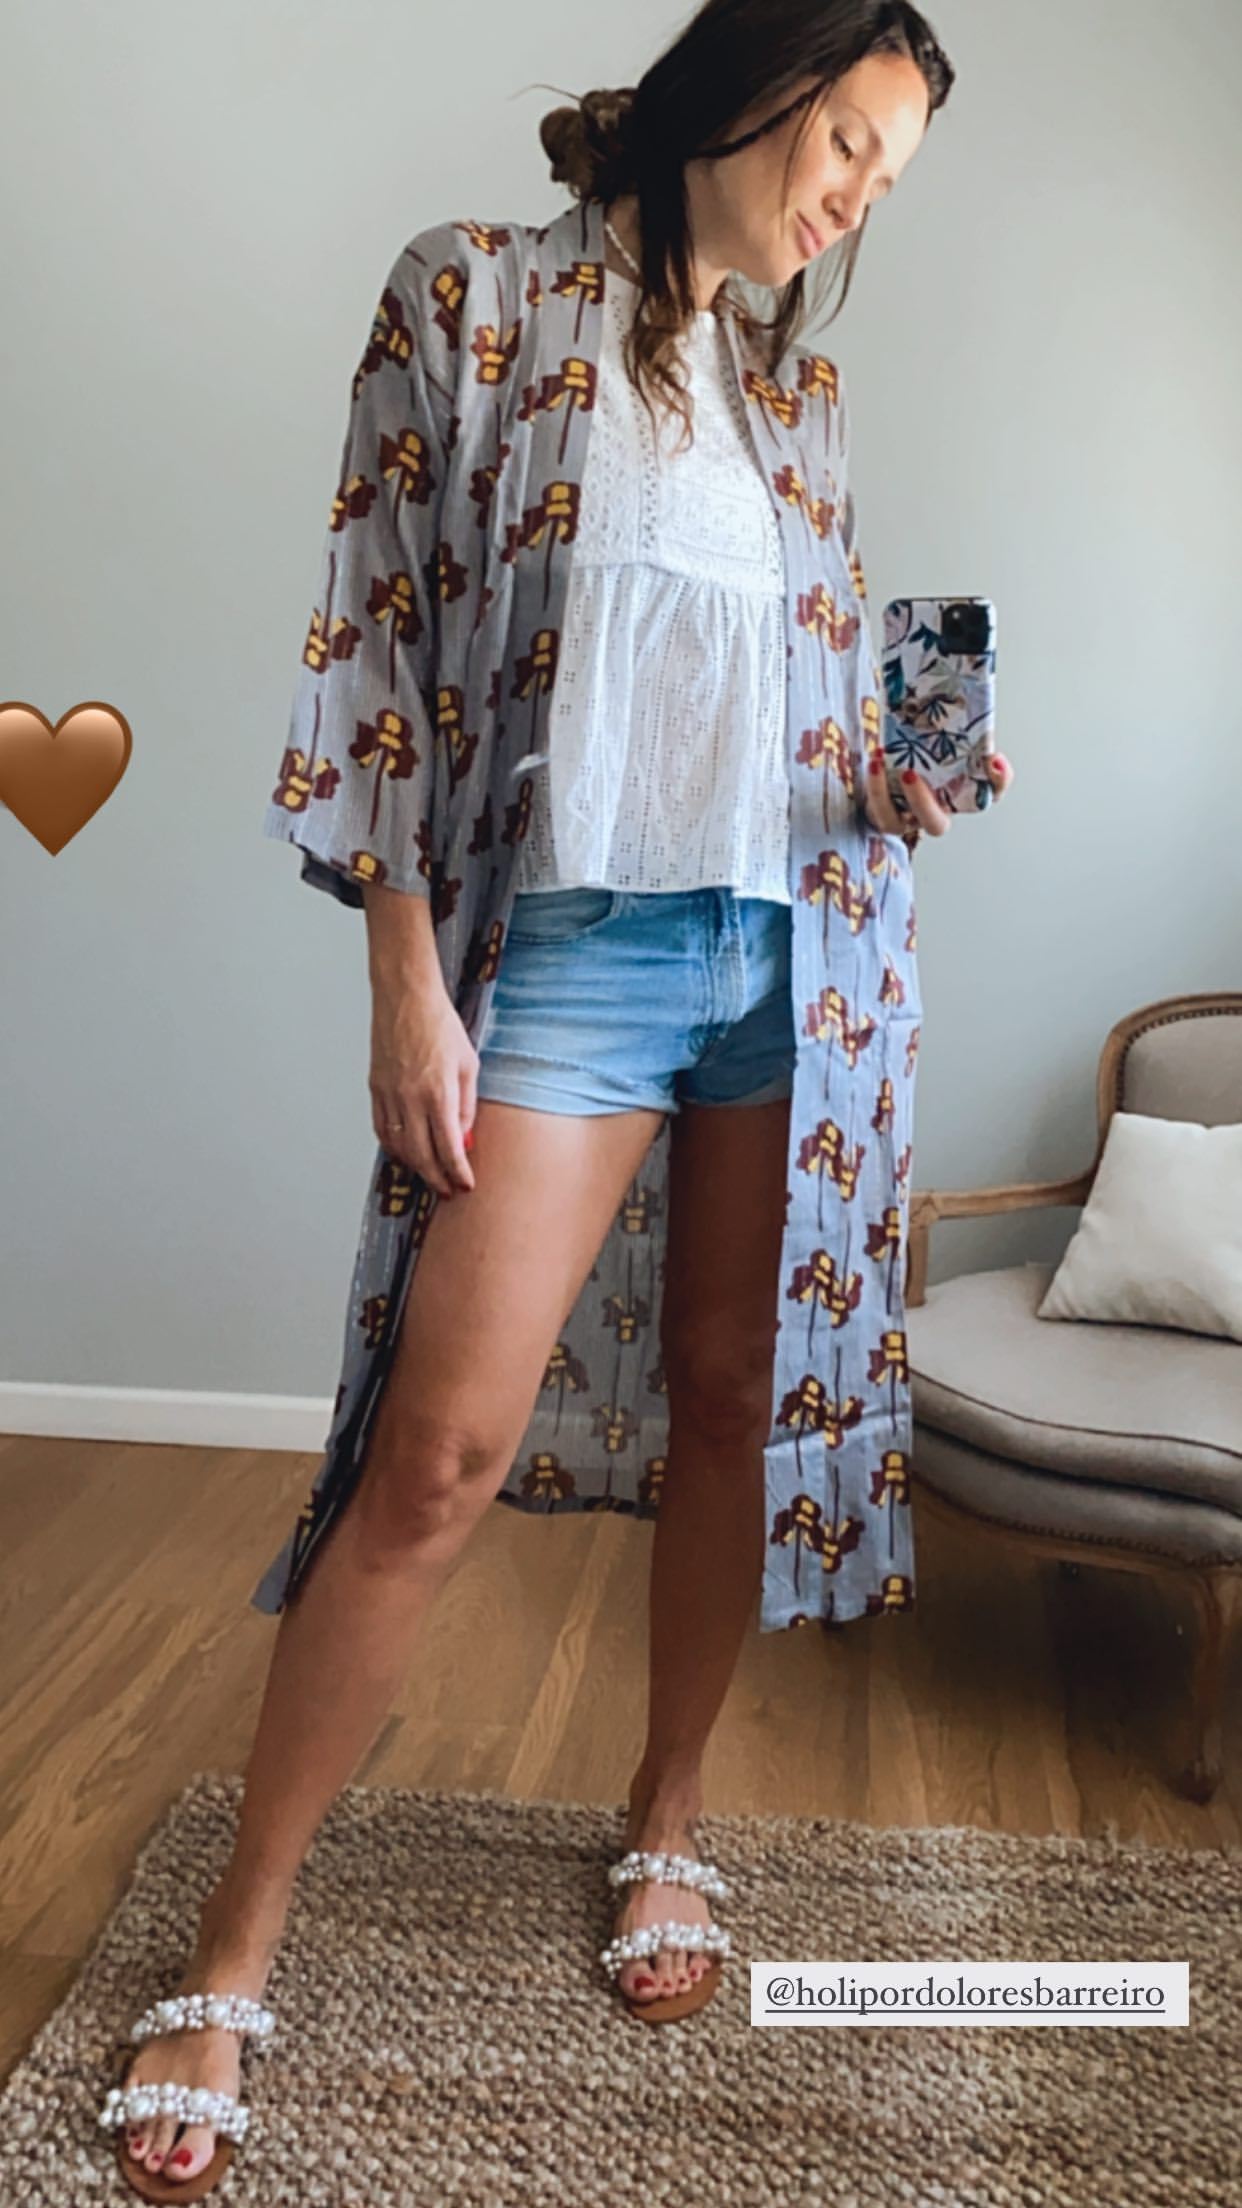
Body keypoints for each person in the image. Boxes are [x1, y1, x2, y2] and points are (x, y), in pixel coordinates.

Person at [106, 0, 1015, 2187]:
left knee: (726, 1395)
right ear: (763, 78)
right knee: (434, 1454)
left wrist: (906, 775)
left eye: (888, 175)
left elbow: (807, 728)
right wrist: (403, 976)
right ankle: (236, 1948)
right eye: (851, 140)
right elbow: (379, 650)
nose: (857, 197)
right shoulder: (473, 300)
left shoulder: (800, 400)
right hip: (571, 961)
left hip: (785, 953)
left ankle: (668, 1818)